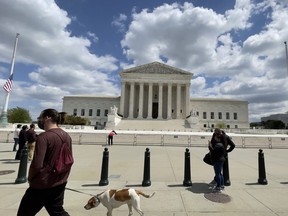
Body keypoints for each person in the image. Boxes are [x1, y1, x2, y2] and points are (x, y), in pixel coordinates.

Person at [17, 109, 73, 216]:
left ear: (47, 118)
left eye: (40, 117)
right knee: (57, 212)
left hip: (42, 184)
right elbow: (68, 160)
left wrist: (31, 178)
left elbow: (37, 164)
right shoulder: (66, 136)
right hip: (60, 182)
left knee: (24, 213)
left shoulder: (44, 136)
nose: (40, 120)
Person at [209, 128, 235, 192]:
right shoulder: (220, 139)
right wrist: (226, 151)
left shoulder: (220, 142)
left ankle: (219, 186)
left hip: (218, 157)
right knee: (219, 172)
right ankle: (220, 184)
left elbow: (233, 145)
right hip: (221, 156)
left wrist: (209, 146)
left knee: (218, 172)